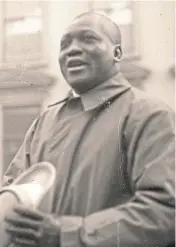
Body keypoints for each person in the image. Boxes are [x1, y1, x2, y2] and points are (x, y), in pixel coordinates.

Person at [2, 11, 175, 247]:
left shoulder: (150, 114)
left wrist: (66, 234)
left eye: (88, 39)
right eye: (65, 44)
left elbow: (164, 211)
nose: (72, 49)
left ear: (117, 53)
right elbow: (12, 200)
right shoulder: (43, 123)